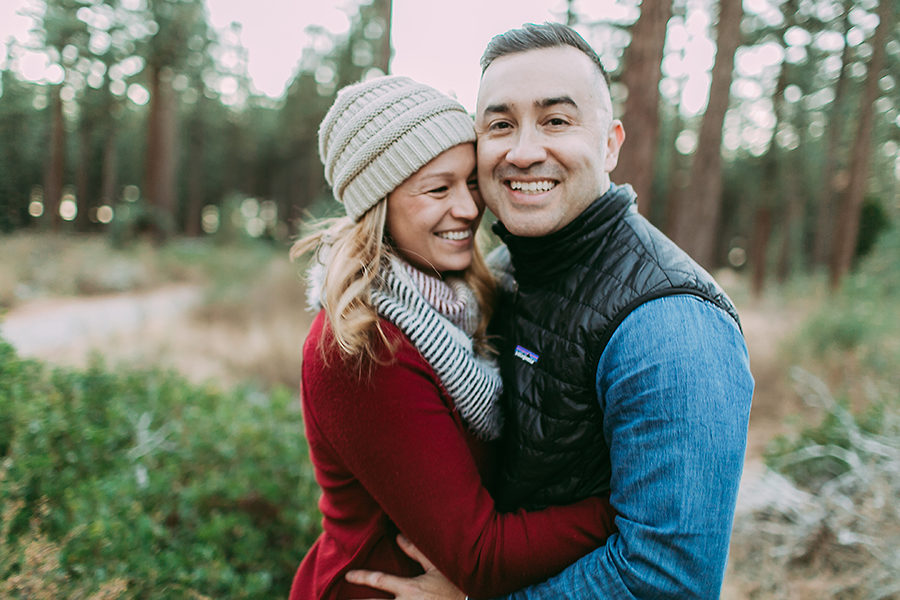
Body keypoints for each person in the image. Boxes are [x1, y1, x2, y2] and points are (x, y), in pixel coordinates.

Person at [345, 22, 754, 600]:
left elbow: (668, 580)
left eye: (556, 120)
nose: (523, 152)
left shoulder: (671, 326)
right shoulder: (500, 277)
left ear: (610, 143)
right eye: (500, 125)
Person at [288, 74, 617, 600]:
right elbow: (480, 555)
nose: (467, 208)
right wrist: (626, 506)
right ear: (379, 205)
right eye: (438, 189)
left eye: (470, 182)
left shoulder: (461, 301)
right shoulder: (367, 345)